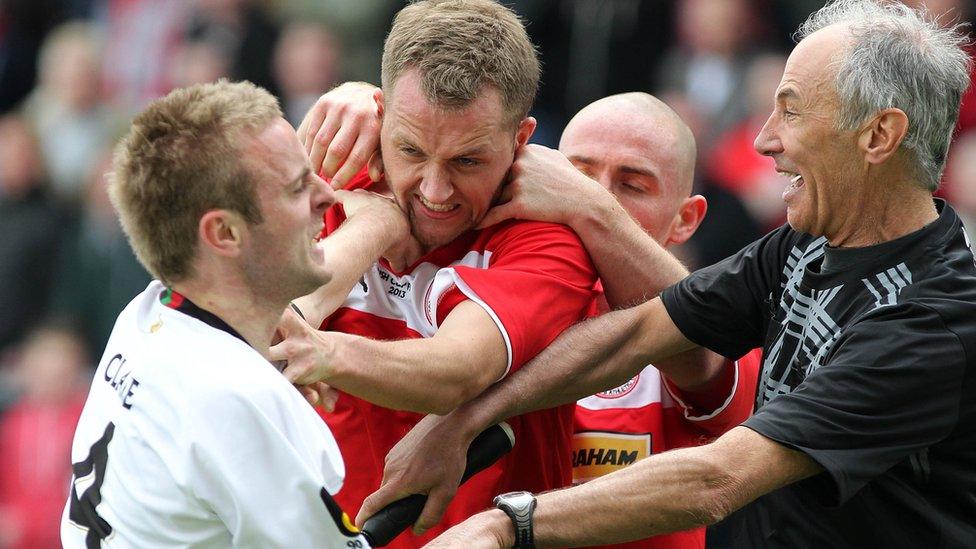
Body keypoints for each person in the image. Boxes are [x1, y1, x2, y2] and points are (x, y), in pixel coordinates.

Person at [360, 1, 976, 547]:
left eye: (791, 112)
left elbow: (719, 477)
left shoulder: (931, 322)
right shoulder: (802, 249)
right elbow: (642, 330)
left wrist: (507, 524)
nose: (765, 141)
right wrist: (461, 423)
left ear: (878, 136)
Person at [269, 1, 599, 546]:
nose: (434, 190)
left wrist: (322, 352)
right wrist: (375, 224)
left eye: (467, 161)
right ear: (381, 115)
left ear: (521, 141)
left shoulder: (547, 240)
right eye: (411, 150)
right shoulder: (330, 178)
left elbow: (458, 369)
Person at [61, 79, 414, 547]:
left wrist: (382, 218)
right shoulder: (236, 399)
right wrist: (494, 530)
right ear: (224, 233)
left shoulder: (147, 316)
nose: (328, 198)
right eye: (296, 189)